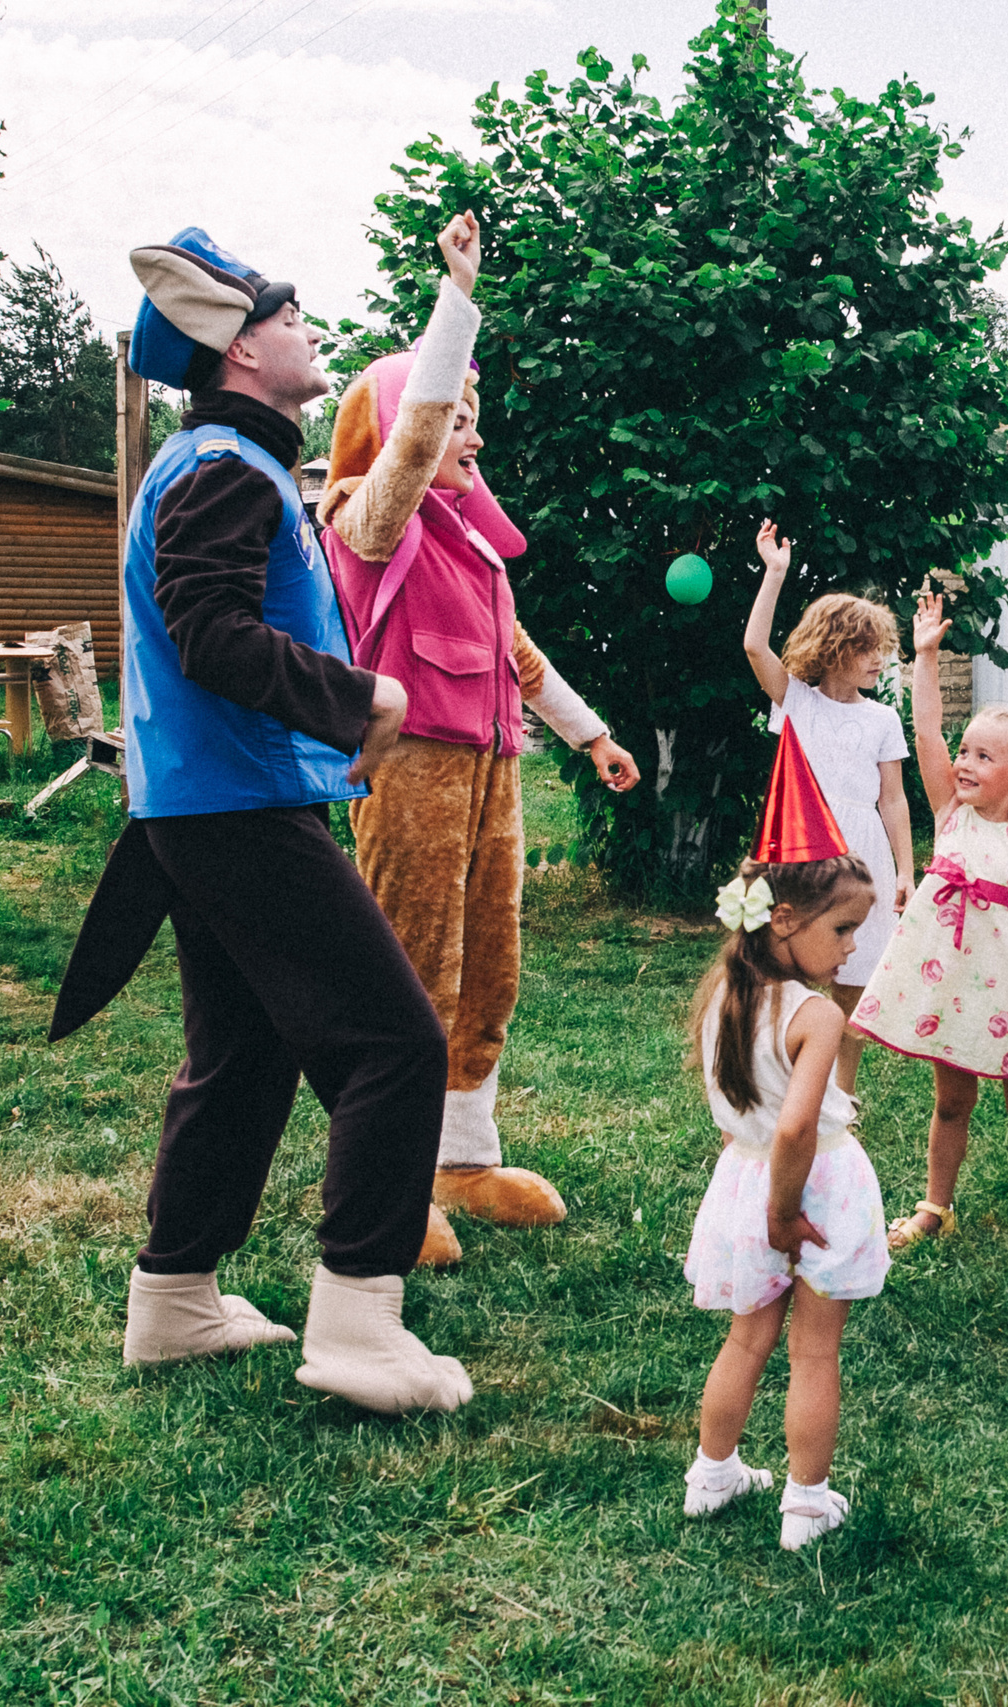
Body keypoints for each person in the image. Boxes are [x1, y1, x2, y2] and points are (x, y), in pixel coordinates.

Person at [49, 227, 469, 1414]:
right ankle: (356, 1322)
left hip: (218, 804)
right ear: (237, 348)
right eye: (289, 316)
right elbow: (211, 636)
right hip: (234, 808)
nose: (308, 328)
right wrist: (358, 699)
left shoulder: (228, 463)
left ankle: (175, 1300)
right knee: (392, 1043)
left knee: (243, 1056)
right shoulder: (224, 467)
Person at [318, 210, 642, 1269]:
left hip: (491, 776)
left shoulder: (471, 548)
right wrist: (455, 309)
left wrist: (589, 737)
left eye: (472, 420)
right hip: (411, 772)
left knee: (487, 967)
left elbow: (518, 655)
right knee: (411, 966)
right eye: (460, 419)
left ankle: (460, 1158)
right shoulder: (368, 526)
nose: (473, 437)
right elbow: (404, 452)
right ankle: (384, 1179)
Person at [852, 591, 1008, 1265]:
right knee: (951, 1102)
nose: (963, 763)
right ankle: (934, 1205)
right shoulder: (949, 814)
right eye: (965, 752)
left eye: (983, 757)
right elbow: (927, 732)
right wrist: (926, 656)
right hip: (951, 987)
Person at [681, 725, 890, 1551]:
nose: (851, 947)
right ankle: (806, 1503)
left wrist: (761, 1194)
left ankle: (712, 1473)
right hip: (808, 1190)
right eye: (843, 931)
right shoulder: (818, 1014)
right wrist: (784, 1208)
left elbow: (758, 1115)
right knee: (814, 1353)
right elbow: (801, 1121)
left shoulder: (725, 994)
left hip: (742, 1174)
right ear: (788, 918)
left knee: (746, 1335)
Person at [742, 524, 914, 1093]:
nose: (878, 661)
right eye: (867, 650)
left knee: (854, 977)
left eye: (881, 650)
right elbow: (753, 647)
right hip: (804, 848)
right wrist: (775, 572)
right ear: (835, 649)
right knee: (787, 964)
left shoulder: (883, 718)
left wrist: (908, 870)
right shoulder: (798, 702)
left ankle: (840, 1091)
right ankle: (779, 1076)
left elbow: (893, 799)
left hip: (864, 855)